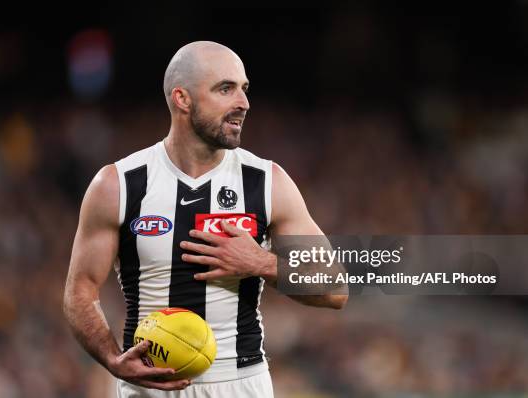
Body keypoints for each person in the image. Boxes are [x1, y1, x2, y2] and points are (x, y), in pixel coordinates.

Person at [63, 41, 348, 398]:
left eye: (244, 89)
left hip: (241, 384)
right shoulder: (118, 184)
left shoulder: (266, 181)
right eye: (225, 89)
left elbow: (335, 287)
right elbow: (80, 291)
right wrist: (110, 358)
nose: (243, 103)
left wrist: (261, 262)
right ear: (182, 99)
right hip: (149, 385)